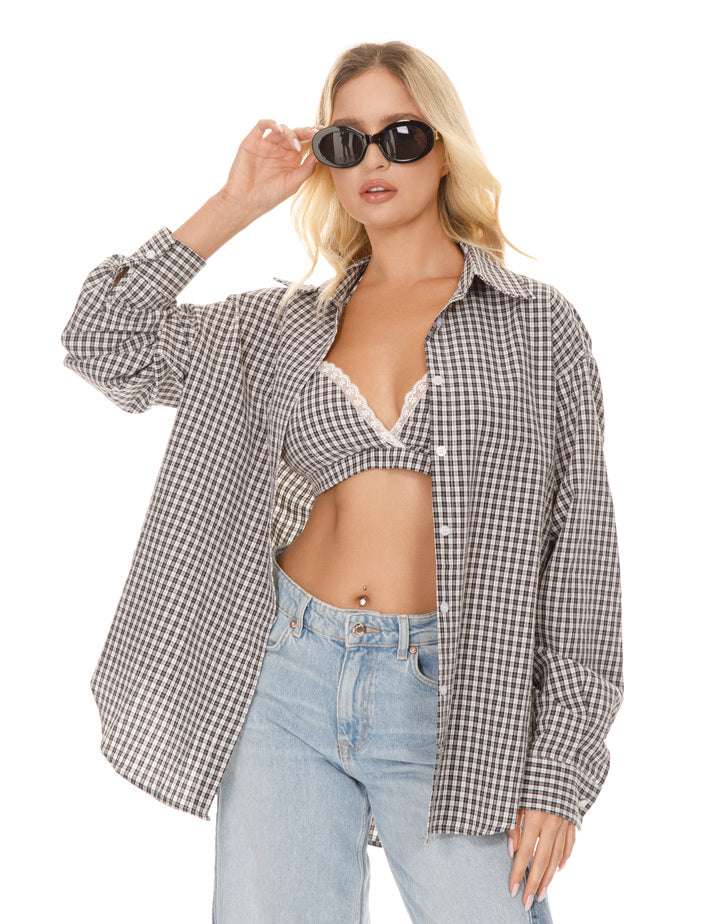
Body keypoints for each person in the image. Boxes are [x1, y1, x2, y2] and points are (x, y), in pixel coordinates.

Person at [61, 41, 623, 924]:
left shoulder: (535, 326)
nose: (373, 160)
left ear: (443, 148)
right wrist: (234, 203)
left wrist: (559, 771)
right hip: (285, 675)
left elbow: (581, 553)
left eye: (401, 135)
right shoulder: (276, 326)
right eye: (345, 141)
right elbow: (102, 340)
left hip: (458, 695)